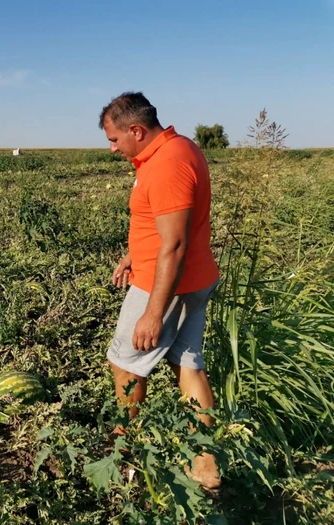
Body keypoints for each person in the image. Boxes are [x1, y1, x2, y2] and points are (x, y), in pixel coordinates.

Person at [99, 92, 221, 489]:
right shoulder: (177, 148)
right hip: (192, 279)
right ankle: (204, 461)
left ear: (137, 129)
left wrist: (154, 312)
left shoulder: (166, 164)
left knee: (125, 360)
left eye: (115, 139)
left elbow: (174, 245)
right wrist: (133, 253)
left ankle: (123, 445)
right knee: (188, 363)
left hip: (166, 284)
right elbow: (165, 225)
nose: (113, 148)